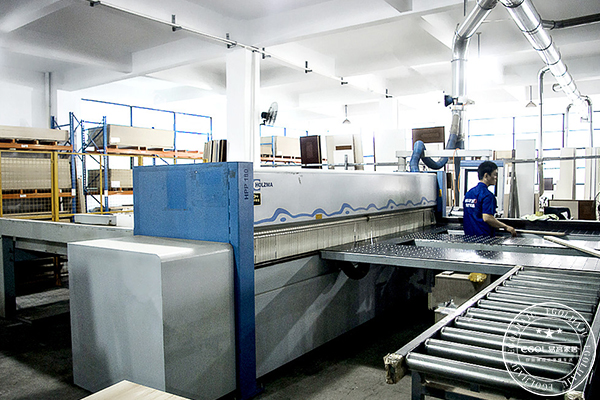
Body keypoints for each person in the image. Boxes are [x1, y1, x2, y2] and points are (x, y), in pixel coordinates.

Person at [463, 161, 517, 237]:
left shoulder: (469, 193)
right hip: (483, 238)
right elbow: (487, 218)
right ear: (486, 175)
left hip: (469, 237)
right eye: (495, 174)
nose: (496, 177)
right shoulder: (488, 195)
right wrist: (506, 227)